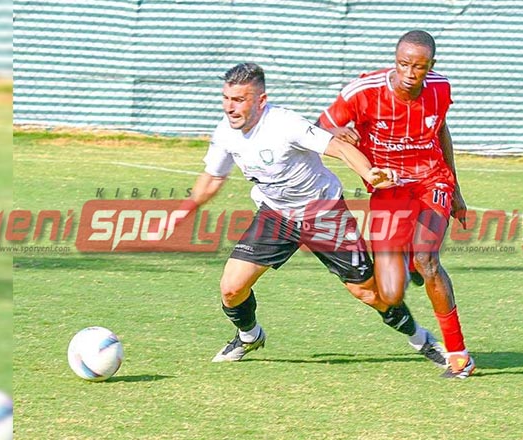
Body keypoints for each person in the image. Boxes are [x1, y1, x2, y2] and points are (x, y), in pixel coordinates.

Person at [176, 63, 447, 365]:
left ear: (261, 100)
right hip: (277, 215)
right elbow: (213, 177)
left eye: (239, 100)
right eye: (227, 98)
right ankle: (250, 336)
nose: (230, 107)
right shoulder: (226, 132)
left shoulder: (285, 124)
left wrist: (370, 173)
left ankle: (421, 339)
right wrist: (183, 211)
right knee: (231, 289)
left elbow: (340, 148)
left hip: (324, 213)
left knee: (369, 293)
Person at [317, 30, 475, 378]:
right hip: (388, 189)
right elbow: (321, 127)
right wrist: (342, 133)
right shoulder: (363, 91)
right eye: (403, 64)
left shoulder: (440, 88)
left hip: (432, 180)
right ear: (395, 60)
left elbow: (441, 131)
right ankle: (411, 268)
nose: (409, 73)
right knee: (390, 290)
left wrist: (457, 191)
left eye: (418, 67)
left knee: (426, 257)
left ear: (430, 66)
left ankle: (459, 354)